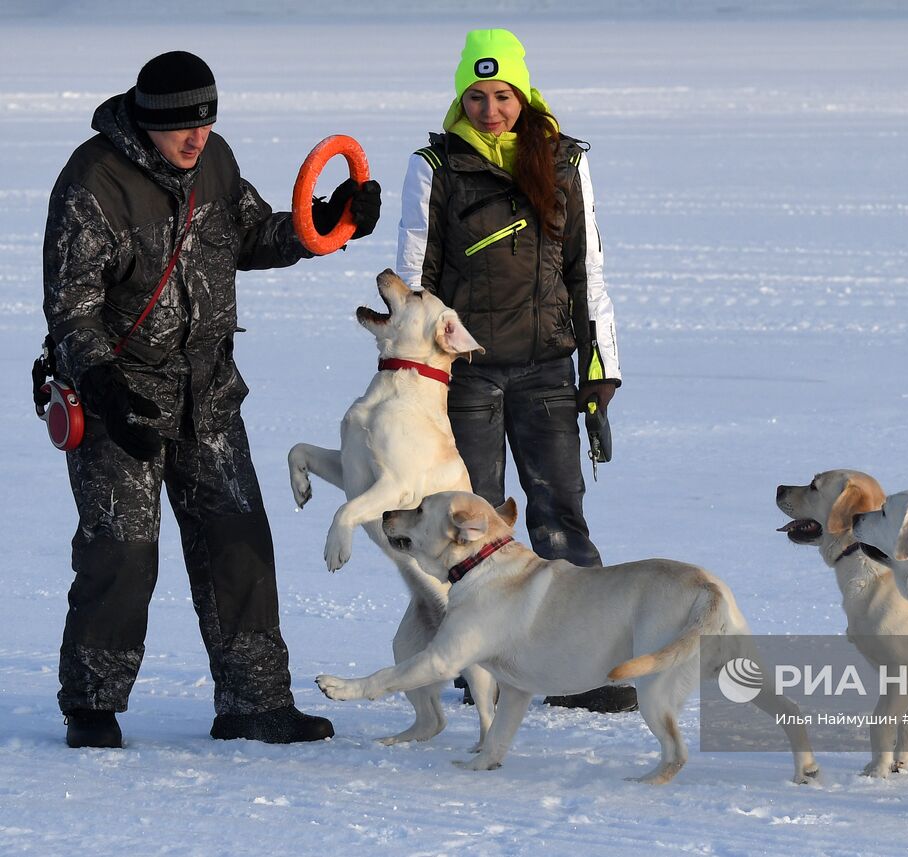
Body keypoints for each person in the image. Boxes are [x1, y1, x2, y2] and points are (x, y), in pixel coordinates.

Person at [42, 51, 381, 748]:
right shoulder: (92, 181)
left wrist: (329, 218)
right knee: (123, 552)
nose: (198, 140)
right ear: (147, 120)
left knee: (240, 545)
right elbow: (71, 310)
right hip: (121, 399)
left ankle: (254, 704)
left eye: (207, 122)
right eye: (182, 129)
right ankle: (92, 705)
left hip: (209, 394)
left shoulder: (215, 161)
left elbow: (252, 232)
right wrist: (103, 386)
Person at [396, 29, 631, 712]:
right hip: (464, 376)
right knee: (470, 525)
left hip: (548, 369)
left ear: (524, 96)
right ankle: (481, 668)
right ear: (459, 96)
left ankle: (583, 667)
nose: (490, 109)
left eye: (502, 96)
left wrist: (601, 373)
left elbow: (588, 273)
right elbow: (414, 281)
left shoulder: (562, 162)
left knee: (560, 517)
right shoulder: (434, 166)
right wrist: (412, 377)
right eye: (476, 95)